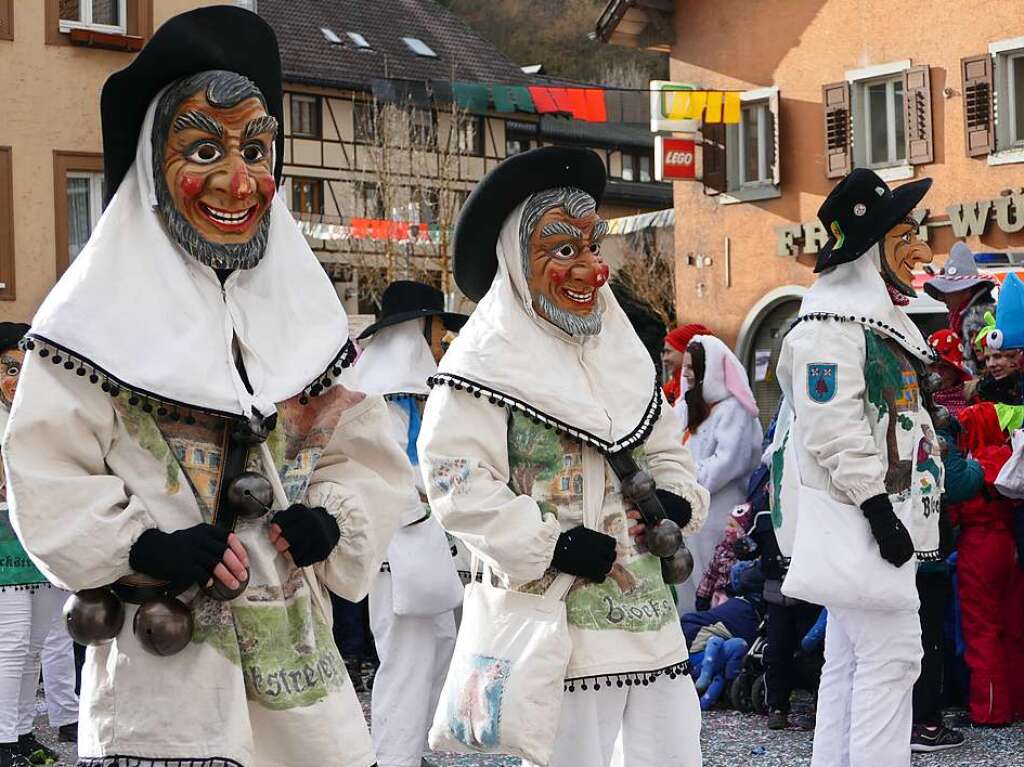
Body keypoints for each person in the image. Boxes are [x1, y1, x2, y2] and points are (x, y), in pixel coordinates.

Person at [3, 8, 416, 767]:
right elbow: (43, 470)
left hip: (298, 676)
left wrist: (331, 519)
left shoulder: (303, 309)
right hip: (165, 681)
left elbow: (365, 451)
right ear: (155, 162)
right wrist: (144, 542)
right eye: (204, 149)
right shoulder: (89, 322)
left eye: (257, 150)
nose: (239, 180)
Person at [418, 146, 710, 767]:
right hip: (558, 628)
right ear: (519, 265)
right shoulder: (480, 366)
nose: (592, 270)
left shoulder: (620, 353)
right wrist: (549, 544)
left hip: (651, 623)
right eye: (564, 250)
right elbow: (455, 482)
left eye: (593, 247)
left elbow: (662, 443)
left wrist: (678, 497)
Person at [776, 167, 940, 767]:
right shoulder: (832, 324)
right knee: (892, 654)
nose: (921, 249)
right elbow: (830, 423)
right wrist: (877, 508)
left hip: (870, 519)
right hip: (859, 519)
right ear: (872, 250)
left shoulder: (860, 319)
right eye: (905, 234)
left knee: (849, 656)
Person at [351, 281, 468, 767]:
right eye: (436, 327)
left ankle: (409, 755)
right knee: (406, 663)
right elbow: (381, 475)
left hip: (424, 551)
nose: (442, 339)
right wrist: (429, 500)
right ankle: (394, 758)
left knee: (437, 651)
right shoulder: (380, 400)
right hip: (399, 553)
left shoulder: (413, 396)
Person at [0, 323, 78, 767]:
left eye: (27, 368)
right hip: (4, 552)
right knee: (10, 644)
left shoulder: (44, 418)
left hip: (43, 546)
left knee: (32, 644)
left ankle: (23, 733)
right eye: (10, 367)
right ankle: (4, 740)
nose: (18, 378)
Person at [949, 401, 1024, 725]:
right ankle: (1017, 702)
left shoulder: (971, 464)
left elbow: (953, 510)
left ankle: (990, 709)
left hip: (978, 545)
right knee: (1012, 627)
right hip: (1009, 544)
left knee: (982, 629)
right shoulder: (1010, 458)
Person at [676, 335, 763, 613]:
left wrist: (683, 478)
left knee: (713, 584)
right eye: (685, 367)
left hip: (718, 514)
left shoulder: (733, 410)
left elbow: (727, 463)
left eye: (692, 367)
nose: (685, 373)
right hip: (686, 514)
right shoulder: (686, 407)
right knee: (686, 583)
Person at [922, 242, 996, 375]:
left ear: (966, 291)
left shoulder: (974, 318)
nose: (944, 296)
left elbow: (970, 368)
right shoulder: (973, 313)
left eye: (949, 291)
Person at [970, 313, 1024, 405]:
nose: (991, 364)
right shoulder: (982, 392)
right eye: (987, 358)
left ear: (1017, 354)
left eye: (998, 356)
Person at [661, 324, 711, 407]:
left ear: (686, 352)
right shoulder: (670, 387)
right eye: (664, 352)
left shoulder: (706, 389)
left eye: (668, 352)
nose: (664, 358)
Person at [927, 329, 973, 418]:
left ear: (956, 372)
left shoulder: (967, 413)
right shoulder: (915, 400)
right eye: (932, 366)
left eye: (944, 367)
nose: (937, 373)